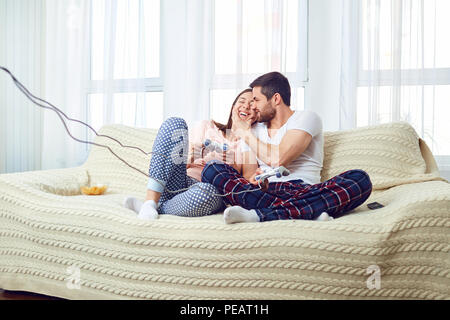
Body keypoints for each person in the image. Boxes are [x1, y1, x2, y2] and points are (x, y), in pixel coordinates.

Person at [201, 71, 373, 224]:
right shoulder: (253, 130)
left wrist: (244, 133)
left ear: (276, 99)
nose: (252, 106)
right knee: (212, 169)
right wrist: (258, 181)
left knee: (359, 179)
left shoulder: (306, 118)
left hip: (305, 190)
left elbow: (278, 158)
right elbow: (248, 178)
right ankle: (309, 212)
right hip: (267, 192)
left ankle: (260, 215)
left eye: (256, 100)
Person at [123, 88, 259, 219]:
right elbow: (177, 161)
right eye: (241, 101)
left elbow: (246, 186)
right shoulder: (207, 126)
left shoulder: (249, 144)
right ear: (233, 106)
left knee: (208, 194)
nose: (246, 106)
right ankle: (150, 201)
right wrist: (193, 155)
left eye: (252, 105)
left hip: (208, 191)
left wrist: (230, 168)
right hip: (180, 181)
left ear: (257, 114)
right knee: (175, 123)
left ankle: (155, 207)